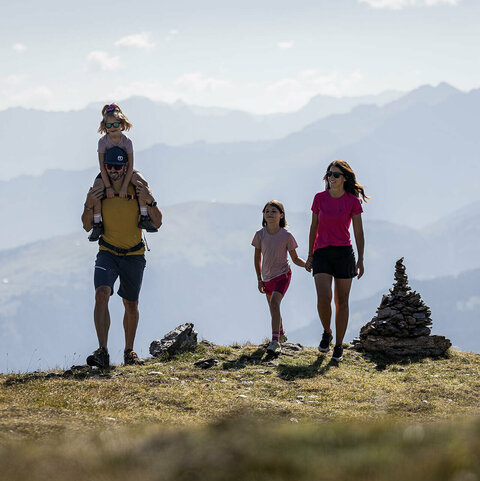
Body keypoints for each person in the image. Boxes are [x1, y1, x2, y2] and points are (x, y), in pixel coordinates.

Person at [82, 146, 162, 367]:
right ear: (104, 167)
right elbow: (85, 224)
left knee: (131, 303)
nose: (114, 171)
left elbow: (158, 222)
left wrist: (151, 200)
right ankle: (103, 351)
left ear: (125, 166)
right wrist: (89, 203)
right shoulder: (99, 188)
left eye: (118, 166)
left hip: (134, 254)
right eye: (109, 166)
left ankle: (129, 352)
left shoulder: (136, 188)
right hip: (107, 251)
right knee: (101, 294)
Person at [305, 160, 368, 362]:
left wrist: (361, 259)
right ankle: (327, 332)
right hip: (321, 252)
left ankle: (339, 345)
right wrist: (310, 255)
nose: (331, 178)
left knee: (342, 302)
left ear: (345, 178)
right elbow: (313, 228)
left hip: (344, 254)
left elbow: (358, 232)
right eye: (329, 174)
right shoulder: (319, 198)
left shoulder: (352, 201)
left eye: (336, 175)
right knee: (324, 298)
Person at [88, 103, 157, 242]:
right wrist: (107, 187)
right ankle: (97, 224)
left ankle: (144, 216)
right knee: (96, 190)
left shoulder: (127, 142)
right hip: (107, 171)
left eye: (115, 124)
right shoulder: (102, 142)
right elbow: (102, 166)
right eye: (109, 125)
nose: (112, 128)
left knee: (141, 183)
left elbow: (131, 165)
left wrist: (125, 186)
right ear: (104, 126)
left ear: (122, 124)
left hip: (126, 170)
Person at [252, 200, 306, 354]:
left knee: (275, 303)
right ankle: (281, 333)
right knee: (273, 307)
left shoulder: (286, 235)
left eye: (274, 211)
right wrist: (259, 279)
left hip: (283, 275)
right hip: (266, 278)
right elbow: (257, 259)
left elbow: (295, 259)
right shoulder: (259, 235)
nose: (270, 214)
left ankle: (275, 341)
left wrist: (308, 265)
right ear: (263, 214)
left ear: (281, 215)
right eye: (267, 211)